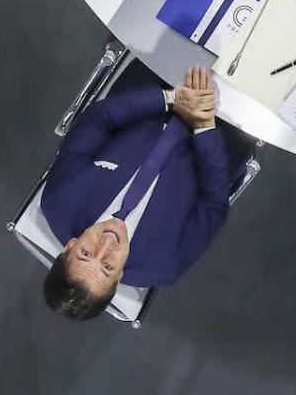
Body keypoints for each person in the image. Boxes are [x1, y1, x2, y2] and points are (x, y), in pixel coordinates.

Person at [41, 64, 233, 320]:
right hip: (223, 126)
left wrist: (172, 98)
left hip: (157, 88)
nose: (107, 244)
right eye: (108, 266)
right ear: (119, 278)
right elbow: (214, 203)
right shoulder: (166, 265)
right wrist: (204, 125)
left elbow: (97, 119)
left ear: (70, 246)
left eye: (86, 253)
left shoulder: (59, 200)